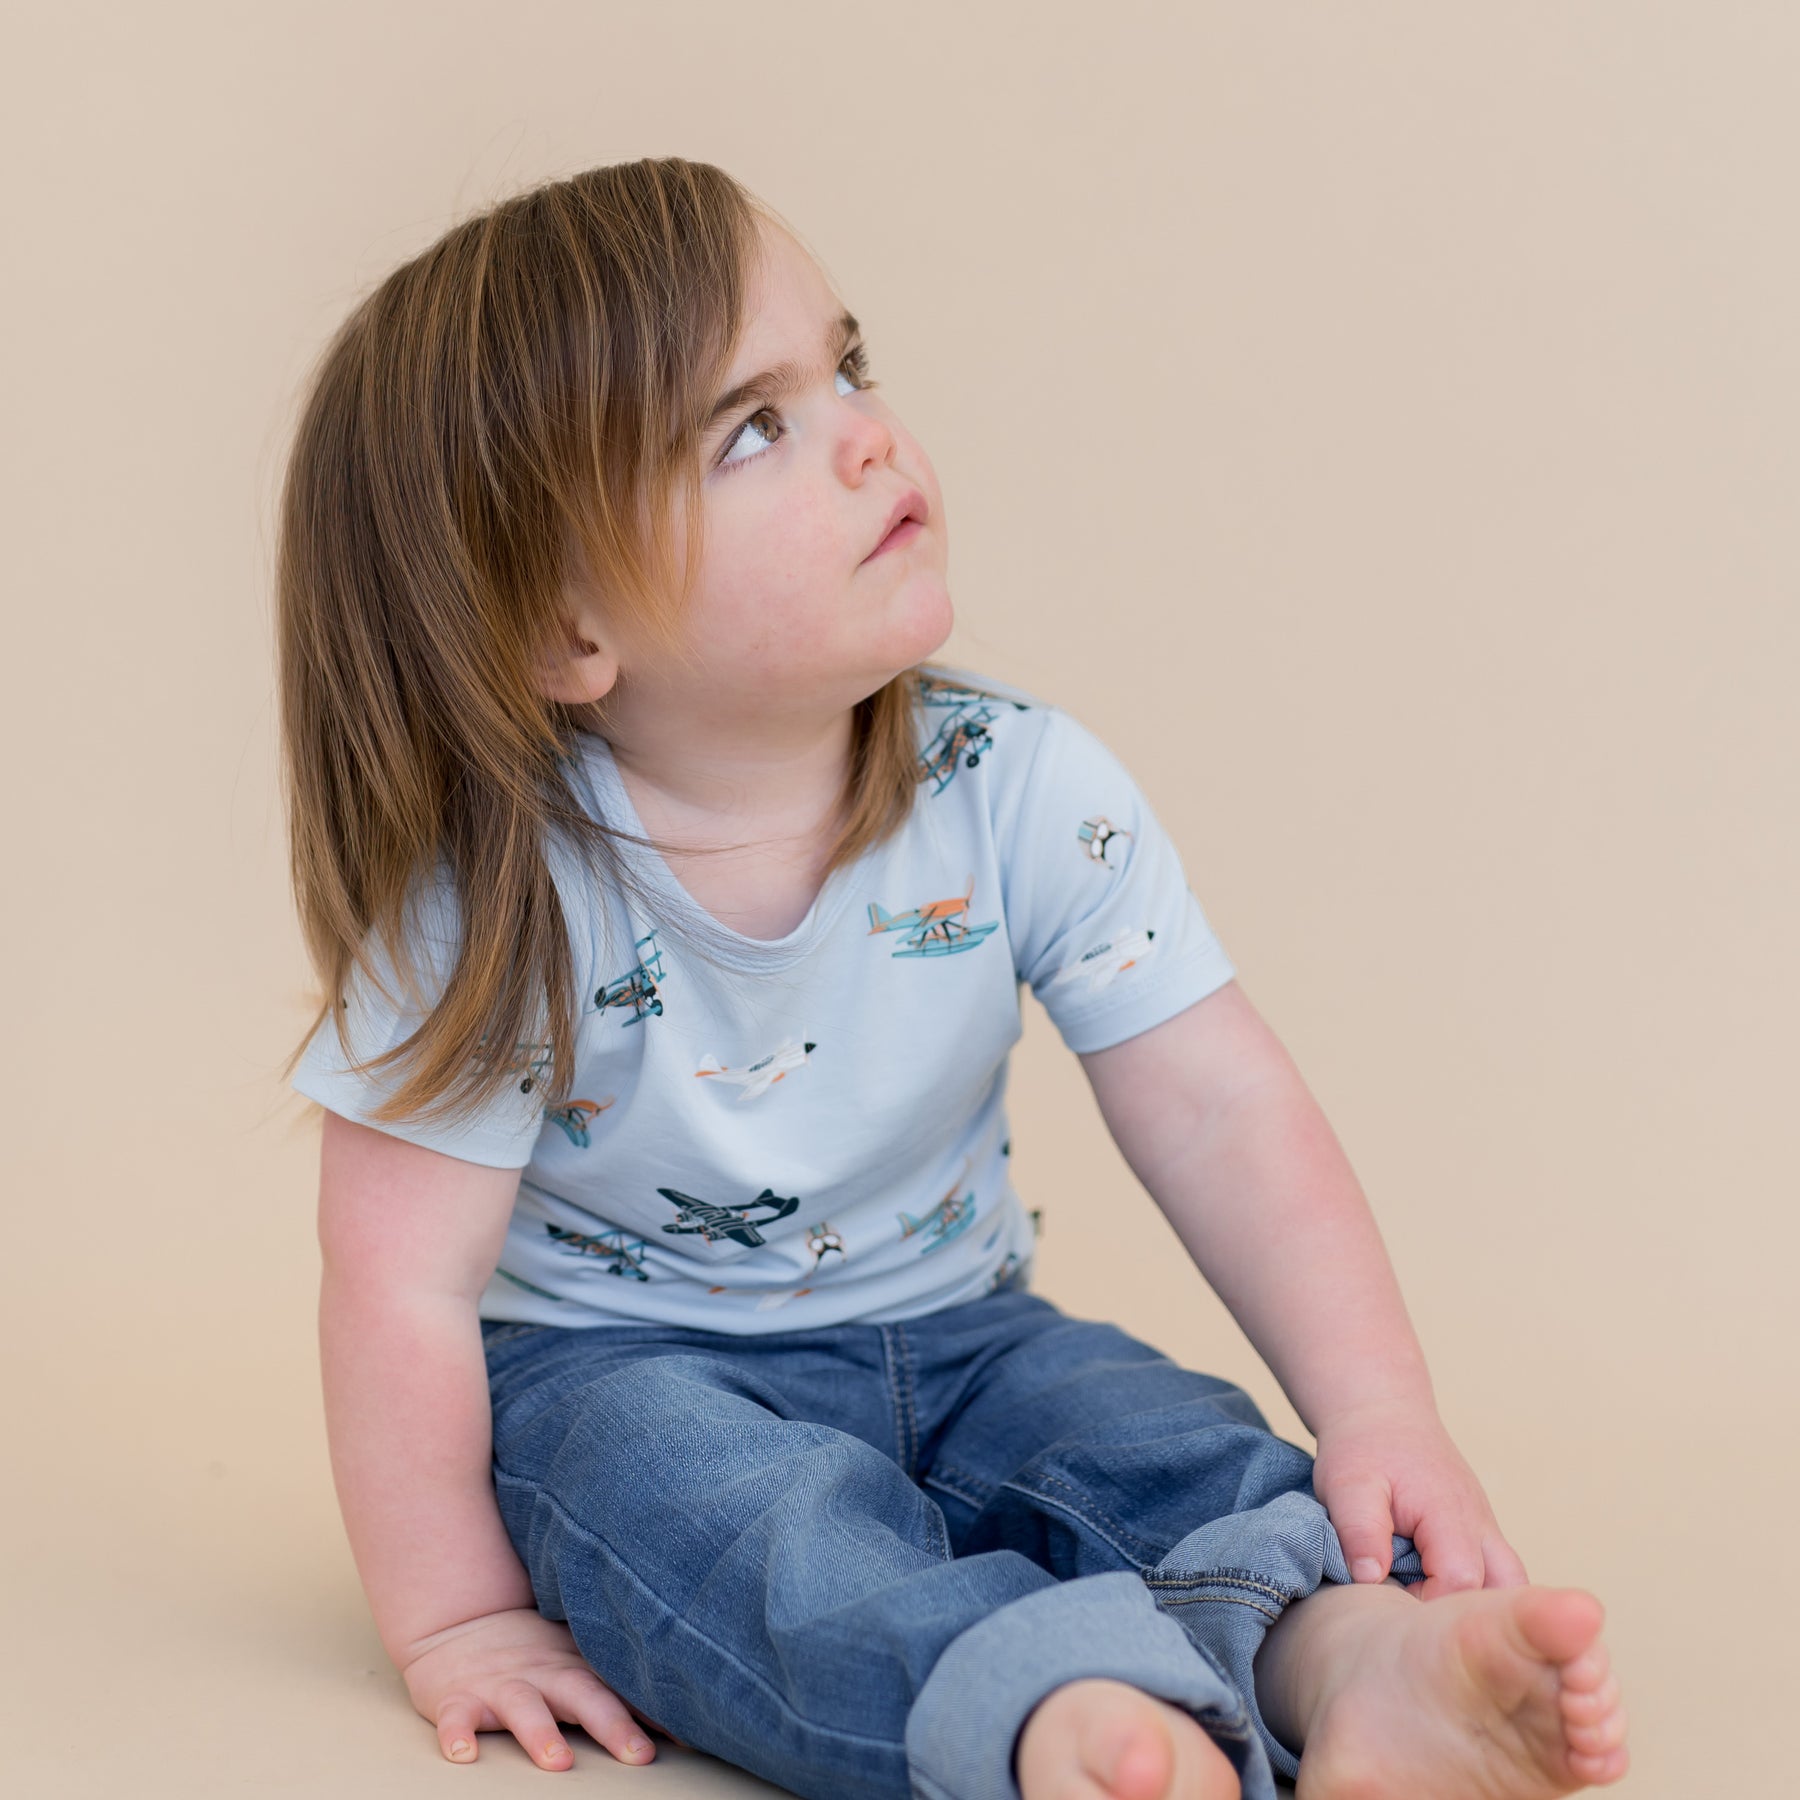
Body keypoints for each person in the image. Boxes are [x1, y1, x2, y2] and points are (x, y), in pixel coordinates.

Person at [277, 157, 1629, 1800]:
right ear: (566, 629)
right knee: (742, 1538)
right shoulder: (498, 903)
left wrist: (1383, 1414)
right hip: (628, 1374)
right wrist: (459, 1618)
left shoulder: (1019, 786)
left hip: (971, 1329)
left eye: (847, 363)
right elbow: (400, 1289)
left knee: (1150, 1436)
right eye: (751, 427)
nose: (868, 432)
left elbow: (1217, 1105)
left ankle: (1344, 1657)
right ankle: (1057, 1722)